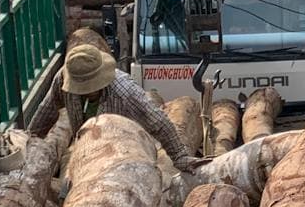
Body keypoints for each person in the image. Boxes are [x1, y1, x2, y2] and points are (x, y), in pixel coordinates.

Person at [59, 42, 203, 171]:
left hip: (124, 151)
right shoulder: (65, 78)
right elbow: (48, 108)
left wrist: (179, 156)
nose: (87, 91)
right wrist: (37, 136)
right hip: (85, 149)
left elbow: (158, 121)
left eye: (91, 87)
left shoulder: (125, 91)